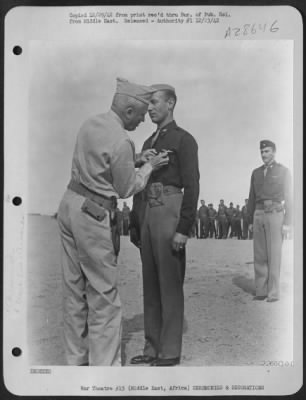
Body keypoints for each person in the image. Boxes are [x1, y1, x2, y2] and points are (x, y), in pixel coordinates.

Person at [57, 78, 169, 366]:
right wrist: (147, 166)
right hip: (93, 215)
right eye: (141, 115)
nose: (143, 120)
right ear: (129, 111)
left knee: (74, 292)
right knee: (104, 297)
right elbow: (126, 188)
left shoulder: (91, 123)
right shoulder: (122, 140)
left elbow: (100, 162)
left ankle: (76, 364)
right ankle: (104, 374)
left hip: (69, 205)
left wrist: (134, 156)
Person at [130, 83, 199, 366]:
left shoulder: (184, 140)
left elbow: (192, 186)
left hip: (169, 209)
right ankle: (152, 347)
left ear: (170, 103)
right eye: (149, 103)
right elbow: (139, 185)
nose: (150, 108)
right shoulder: (147, 144)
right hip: (147, 211)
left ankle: (169, 351)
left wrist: (183, 228)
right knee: (150, 284)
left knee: (169, 283)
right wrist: (135, 223)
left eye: (155, 102)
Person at [247, 140, 291, 302]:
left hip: (275, 213)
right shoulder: (256, 172)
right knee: (259, 254)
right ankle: (261, 290)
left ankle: (273, 292)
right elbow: (251, 197)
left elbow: (289, 197)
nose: (264, 155)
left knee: (274, 254)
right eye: (262, 152)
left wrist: (287, 222)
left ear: (274, 152)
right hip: (258, 214)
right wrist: (250, 220)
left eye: (267, 151)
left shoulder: (283, 171)